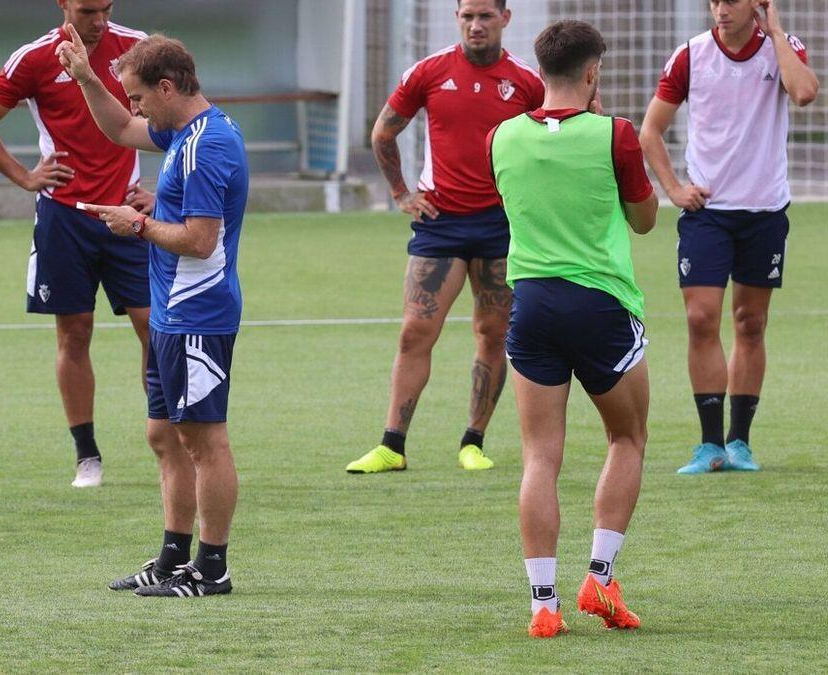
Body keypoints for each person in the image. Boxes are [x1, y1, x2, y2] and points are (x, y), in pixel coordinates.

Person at [57, 27, 247, 597]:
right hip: (170, 314)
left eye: (140, 97)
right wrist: (88, 76)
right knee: (163, 435)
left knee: (204, 441)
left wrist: (135, 223)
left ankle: (212, 569)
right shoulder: (185, 132)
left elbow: (200, 240)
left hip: (197, 314)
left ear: (168, 88)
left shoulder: (206, 144)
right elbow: (117, 129)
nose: (135, 108)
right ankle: (171, 558)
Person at [487, 20, 659, 637]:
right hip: (601, 304)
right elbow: (644, 221)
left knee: (540, 456)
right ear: (593, 73)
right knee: (628, 438)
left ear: (540, 73)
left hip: (531, 303)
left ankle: (542, 604)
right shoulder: (615, 135)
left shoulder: (503, 137)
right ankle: (601, 578)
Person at [345, 0, 544, 475]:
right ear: (458, 19)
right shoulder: (428, 72)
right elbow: (382, 133)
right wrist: (400, 193)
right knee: (415, 331)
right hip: (441, 223)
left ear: (505, 19)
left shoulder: (525, 81)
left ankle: (473, 441)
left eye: (485, 16)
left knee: (493, 333)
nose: (476, 25)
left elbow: (555, 138)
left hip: (500, 223)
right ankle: (392, 445)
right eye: (467, 16)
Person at [0, 0, 154, 488]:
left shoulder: (137, 47)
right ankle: (87, 455)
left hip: (128, 218)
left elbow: (181, 121)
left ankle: (168, 437)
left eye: (107, 8)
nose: (100, 20)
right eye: (89, 10)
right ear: (64, 5)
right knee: (74, 332)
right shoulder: (35, 58)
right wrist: (25, 177)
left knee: (155, 329)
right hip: (65, 219)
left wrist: (163, 189)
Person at [639, 0, 818, 475]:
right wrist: (674, 188)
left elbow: (803, 93)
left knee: (750, 323)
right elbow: (650, 131)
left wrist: (776, 30)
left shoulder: (783, 49)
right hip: (708, 214)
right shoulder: (689, 55)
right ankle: (709, 444)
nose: (720, 9)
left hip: (763, 212)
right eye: (714, 1)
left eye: (731, 1)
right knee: (701, 319)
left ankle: (740, 441)